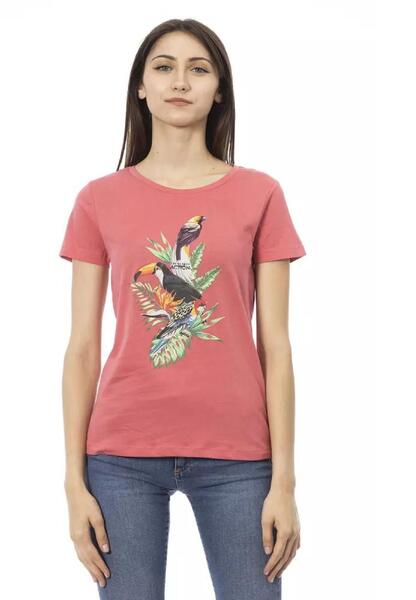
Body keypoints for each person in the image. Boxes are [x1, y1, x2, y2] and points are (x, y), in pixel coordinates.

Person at [59, 18, 306, 600]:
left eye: (198, 69)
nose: (180, 81)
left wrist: (285, 481)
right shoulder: (98, 199)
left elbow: (276, 346)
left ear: (219, 90)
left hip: (239, 454)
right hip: (121, 454)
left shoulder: (260, 193)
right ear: (141, 86)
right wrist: (73, 482)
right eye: (164, 67)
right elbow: (83, 348)